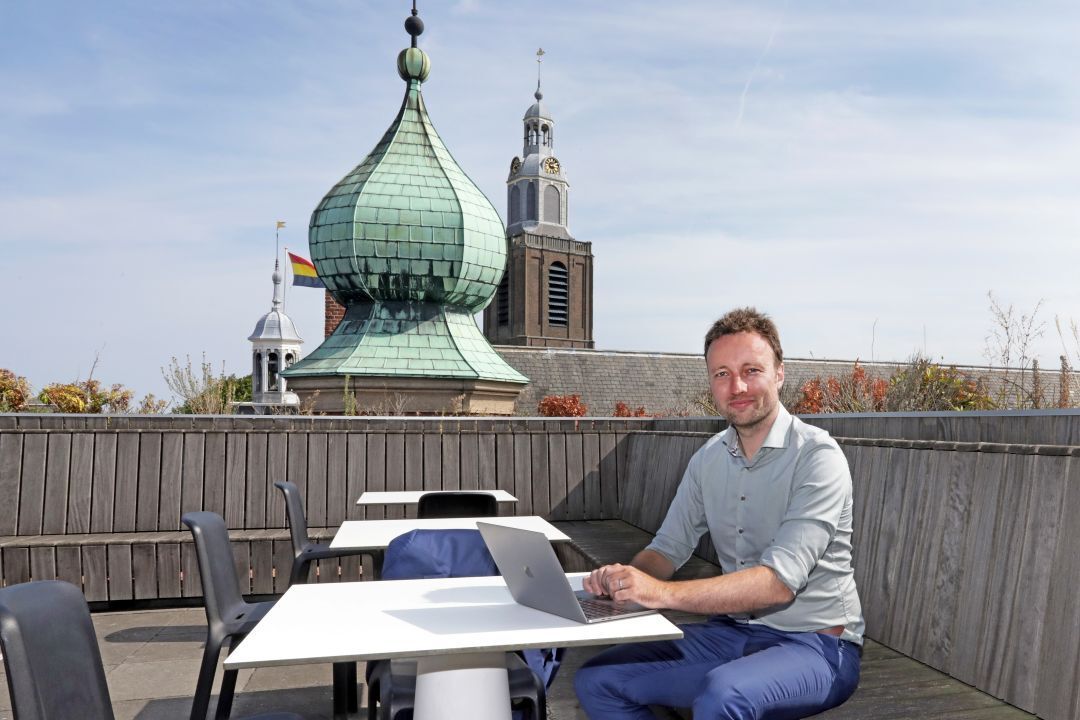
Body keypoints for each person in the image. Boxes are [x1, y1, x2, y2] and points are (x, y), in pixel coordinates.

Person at [574, 307, 864, 720]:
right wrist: (625, 579)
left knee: (723, 694)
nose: (737, 385)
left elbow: (779, 583)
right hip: (730, 633)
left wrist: (657, 593)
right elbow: (666, 551)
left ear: (780, 373)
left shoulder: (817, 456)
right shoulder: (708, 459)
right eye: (722, 374)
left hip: (816, 645)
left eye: (751, 370)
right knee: (596, 681)